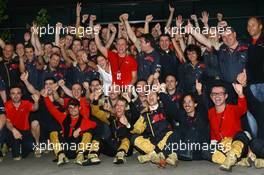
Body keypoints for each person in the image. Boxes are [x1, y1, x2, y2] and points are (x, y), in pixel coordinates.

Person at [42, 90, 96, 166]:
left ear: (79, 108)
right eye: (70, 108)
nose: (73, 110)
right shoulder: (63, 117)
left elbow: (93, 124)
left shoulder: (83, 118)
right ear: (68, 109)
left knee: (88, 133)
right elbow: (52, 109)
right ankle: (61, 156)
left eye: (75, 107)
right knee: (53, 132)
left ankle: (80, 156)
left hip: (77, 147)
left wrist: (79, 129)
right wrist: (46, 97)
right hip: (65, 147)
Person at [207, 82, 251, 171]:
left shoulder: (232, 109)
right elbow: (213, 132)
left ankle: (232, 157)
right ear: (211, 97)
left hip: (237, 143)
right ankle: (238, 161)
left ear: (226, 96)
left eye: (220, 94)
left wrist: (240, 94)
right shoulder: (210, 112)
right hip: (223, 146)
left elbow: (243, 109)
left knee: (241, 134)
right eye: (214, 94)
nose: (217, 96)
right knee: (205, 151)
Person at [131, 91, 176, 166]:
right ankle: (159, 154)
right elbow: (136, 130)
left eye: (152, 94)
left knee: (171, 133)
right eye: (148, 95)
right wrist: (141, 116)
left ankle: (153, 154)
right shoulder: (145, 114)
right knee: (134, 138)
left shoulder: (165, 109)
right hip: (153, 142)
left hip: (166, 140)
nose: (150, 96)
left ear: (158, 97)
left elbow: (173, 111)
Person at [5, 86, 40, 160]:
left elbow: (35, 108)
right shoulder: (6, 105)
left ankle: (24, 147)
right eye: (13, 93)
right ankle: (10, 148)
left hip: (25, 131)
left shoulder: (26, 103)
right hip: (12, 130)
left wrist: (36, 101)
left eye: (18, 93)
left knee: (27, 151)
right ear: (10, 95)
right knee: (17, 156)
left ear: (21, 95)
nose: (16, 95)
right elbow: (7, 121)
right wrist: (13, 130)